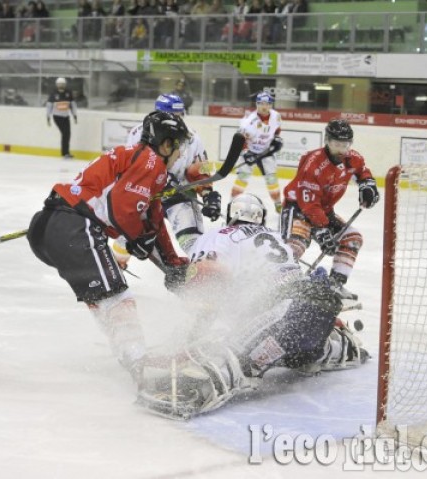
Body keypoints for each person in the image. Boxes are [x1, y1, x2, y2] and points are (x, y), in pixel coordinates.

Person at [136, 194, 368, 419]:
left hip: (286, 311)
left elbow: (206, 281)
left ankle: (190, 389)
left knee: (239, 359)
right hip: (319, 305)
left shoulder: (219, 235)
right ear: (260, 217)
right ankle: (338, 345)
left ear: (231, 215)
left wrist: (182, 281)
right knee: (299, 353)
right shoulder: (275, 236)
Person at [26, 111, 191, 383]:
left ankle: (129, 353)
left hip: (48, 227)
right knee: (117, 298)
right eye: (178, 146)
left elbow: (153, 219)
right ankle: (141, 366)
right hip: (75, 226)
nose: (180, 154)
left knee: (101, 297)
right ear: (165, 144)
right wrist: (138, 238)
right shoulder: (151, 163)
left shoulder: (138, 160)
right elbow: (121, 209)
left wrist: (172, 261)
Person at [114, 93, 220, 263]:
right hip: (147, 195)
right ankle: (116, 265)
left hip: (178, 194)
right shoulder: (139, 134)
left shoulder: (192, 138)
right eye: (173, 116)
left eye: (180, 115)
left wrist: (209, 194)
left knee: (192, 241)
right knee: (128, 236)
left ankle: (202, 271)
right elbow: (132, 168)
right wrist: (158, 177)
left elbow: (200, 167)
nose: (178, 120)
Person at [280, 119, 379, 301]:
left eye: (345, 145)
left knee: (352, 239)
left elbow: (363, 171)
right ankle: (281, 284)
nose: (341, 150)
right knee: (294, 247)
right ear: (327, 141)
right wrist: (322, 231)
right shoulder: (313, 164)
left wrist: (368, 185)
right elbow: (309, 204)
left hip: (323, 211)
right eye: (336, 145)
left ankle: (335, 284)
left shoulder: (353, 158)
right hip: (299, 209)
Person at [230, 92, 284, 213]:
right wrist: (245, 152)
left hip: (266, 152)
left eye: (267, 104)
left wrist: (276, 138)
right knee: (242, 178)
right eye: (261, 104)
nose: (264, 107)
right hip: (249, 151)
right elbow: (241, 138)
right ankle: (232, 203)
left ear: (271, 105)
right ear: (257, 104)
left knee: (271, 179)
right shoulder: (249, 120)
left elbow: (277, 129)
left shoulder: (276, 116)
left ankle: (278, 204)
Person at [46, 77, 78, 159]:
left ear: (65, 84)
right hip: (57, 117)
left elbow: (72, 105)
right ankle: (65, 153)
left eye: (62, 84)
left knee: (67, 134)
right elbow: (49, 105)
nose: (61, 85)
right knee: (65, 133)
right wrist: (48, 116)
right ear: (57, 85)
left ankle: (66, 153)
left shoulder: (68, 93)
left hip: (66, 117)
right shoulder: (53, 94)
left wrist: (74, 115)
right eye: (59, 84)